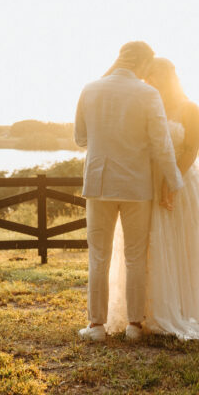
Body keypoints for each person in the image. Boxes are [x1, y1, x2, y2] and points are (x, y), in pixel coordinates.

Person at [106, 57, 199, 340]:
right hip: (145, 183)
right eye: (146, 77)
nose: (149, 82)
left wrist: (171, 179)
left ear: (167, 77)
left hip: (182, 180)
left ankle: (182, 308)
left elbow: (191, 149)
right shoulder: (147, 105)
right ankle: (144, 312)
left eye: (154, 77)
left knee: (181, 242)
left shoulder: (190, 108)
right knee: (148, 244)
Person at [74, 42, 184, 342]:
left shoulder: (90, 88)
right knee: (136, 256)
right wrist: (175, 183)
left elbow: (80, 138)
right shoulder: (149, 94)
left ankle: (96, 326)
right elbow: (161, 144)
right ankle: (134, 325)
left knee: (98, 256)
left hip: (98, 183)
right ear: (145, 63)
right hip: (137, 185)